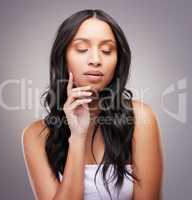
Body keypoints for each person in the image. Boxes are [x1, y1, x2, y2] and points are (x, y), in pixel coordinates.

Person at [21, 9, 163, 200]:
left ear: (118, 61)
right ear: (63, 57)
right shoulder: (36, 135)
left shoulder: (140, 119)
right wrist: (77, 137)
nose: (95, 60)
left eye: (106, 51)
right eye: (81, 49)